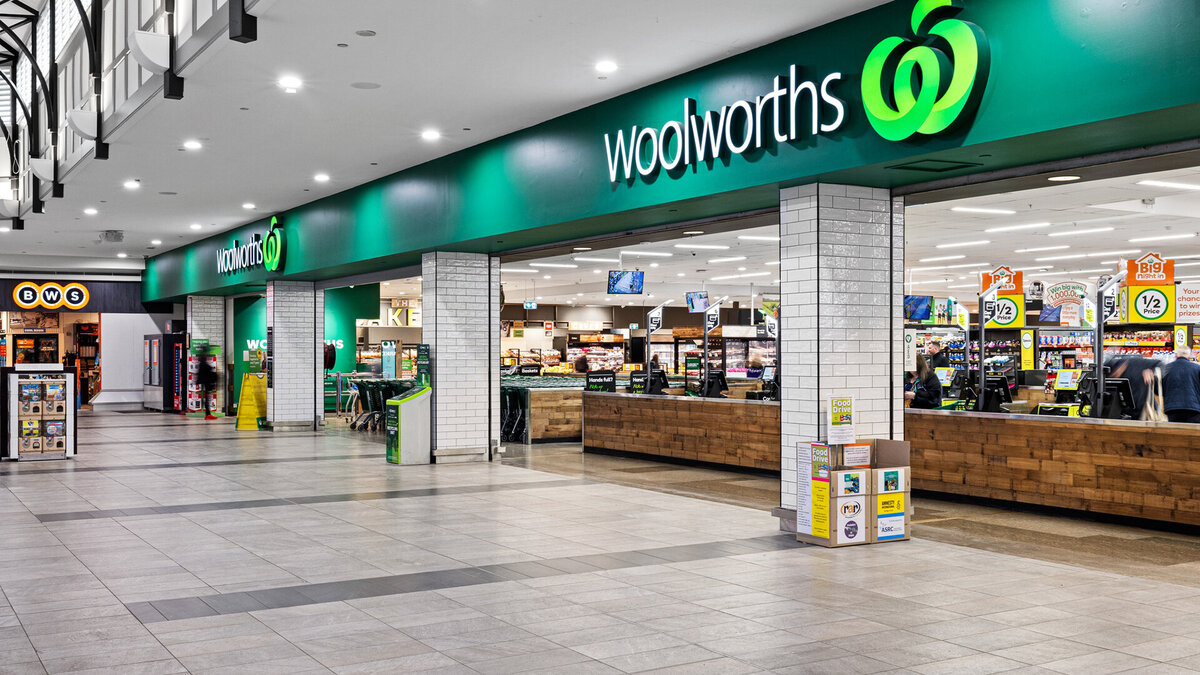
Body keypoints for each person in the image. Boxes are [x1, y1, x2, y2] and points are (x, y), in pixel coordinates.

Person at [1164, 348, 1200, 423]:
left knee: (1175, 430)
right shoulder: (1197, 368)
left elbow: (1158, 388)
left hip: (1172, 408)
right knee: (1193, 430)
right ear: (1189, 356)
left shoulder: (1166, 368)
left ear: (1176, 355)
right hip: (1194, 408)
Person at [196, 345, 218, 421]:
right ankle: (207, 415)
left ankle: (208, 414)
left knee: (207, 398)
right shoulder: (202, 358)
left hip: (205, 380)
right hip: (206, 381)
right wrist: (210, 368)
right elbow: (204, 367)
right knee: (207, 398)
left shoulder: (202, 358)